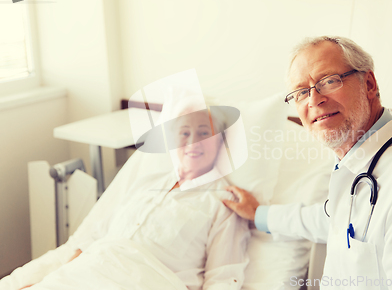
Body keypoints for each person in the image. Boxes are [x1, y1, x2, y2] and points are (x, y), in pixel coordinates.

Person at [223, 36, 392, 289]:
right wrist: (259, 215)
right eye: (301, 92)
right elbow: (331, 220)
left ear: (369, 84)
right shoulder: (358, 163)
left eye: (329, 81)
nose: (314, 100)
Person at [2, 105, 249, 290]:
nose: (193, 141)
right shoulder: (147, 182)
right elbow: (96, 235)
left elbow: (224, 277)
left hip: (145, 281)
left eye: (204, 133)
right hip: (91, 269)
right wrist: (62, 271)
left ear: (221, 143)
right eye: (184, 133)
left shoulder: (223, 201)